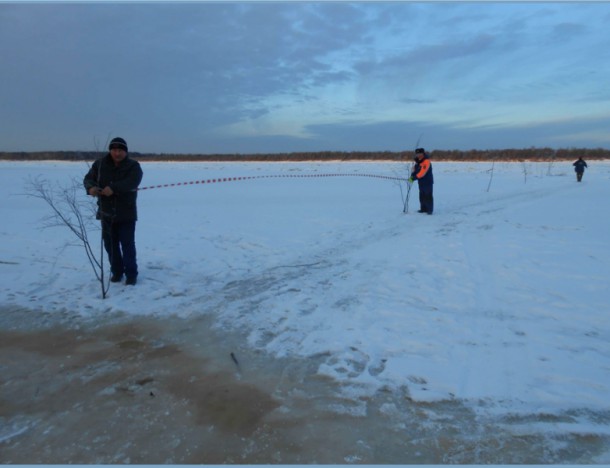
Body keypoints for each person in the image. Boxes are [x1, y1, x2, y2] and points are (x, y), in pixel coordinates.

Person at [84, 137, 143, 285]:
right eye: (114, 150)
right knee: (110, 245)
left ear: (125, 151)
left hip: (126, 213)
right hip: (106, 212)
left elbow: (133, 181)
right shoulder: (100, 164)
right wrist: (91, 187)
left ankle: (131, 274)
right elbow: (88, 178)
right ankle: (117, 272)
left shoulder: (133, 166)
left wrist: (114, 188)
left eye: (120, 150)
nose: (117, 153)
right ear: (110, 150)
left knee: (127, 245)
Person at [409, 147, 434, 214]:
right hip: (421, 182)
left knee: (428, 195)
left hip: (427, 182)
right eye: (417, 154)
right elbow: (415, 171)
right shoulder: (418, 162)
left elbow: (423, 172)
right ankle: (423, 209)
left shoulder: (426, 161)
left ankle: (429, 210)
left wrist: (414, 178)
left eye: (420, 153)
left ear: (423, 153)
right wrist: (412, 176)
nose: (418, 155)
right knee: (422, 196)